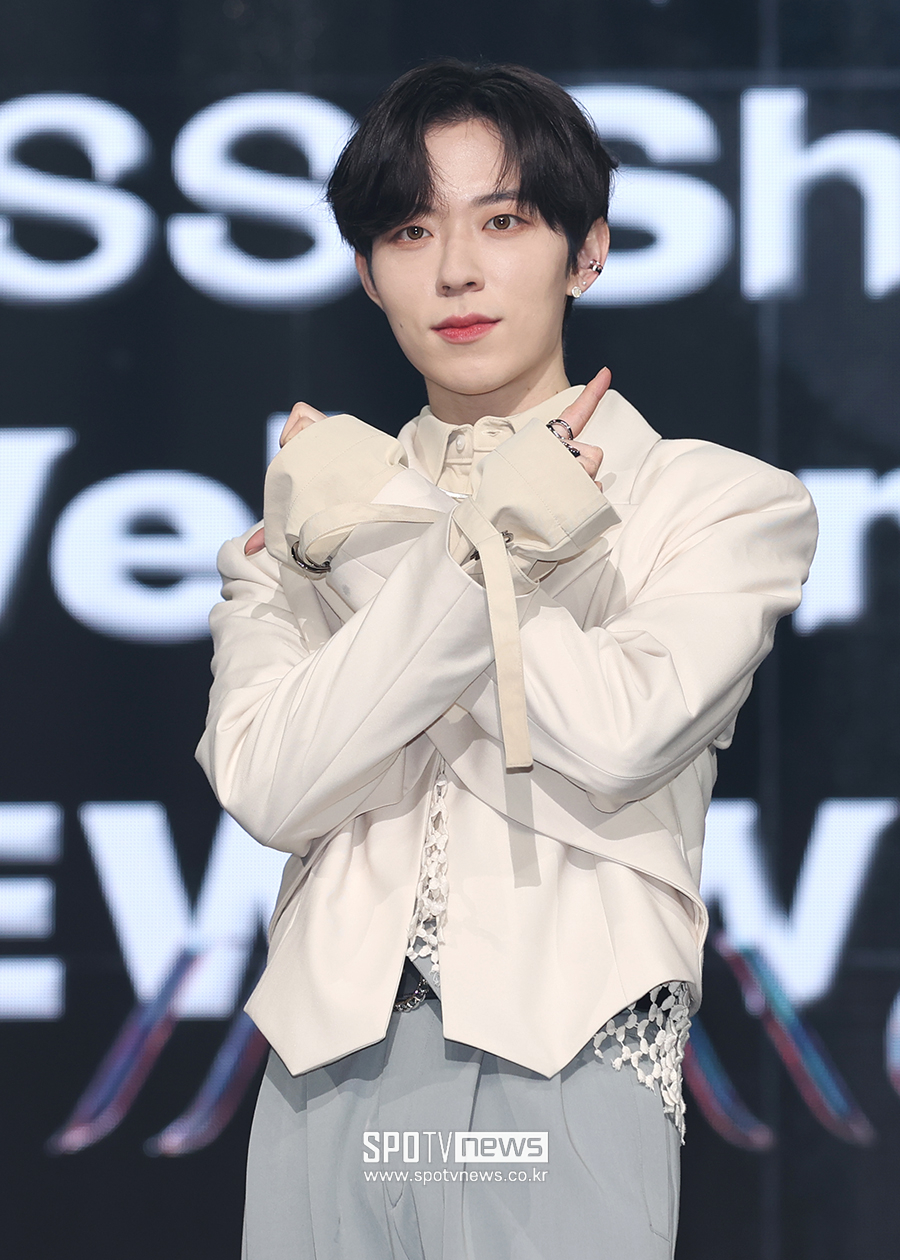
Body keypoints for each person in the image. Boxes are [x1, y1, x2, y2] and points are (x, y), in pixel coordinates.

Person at [196, 59, 818, 1260]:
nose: (456, 271)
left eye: (504, 221)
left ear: (586, 252)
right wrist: (443, 537)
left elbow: (614, 736)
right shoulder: (309, 518)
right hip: (319, 1083)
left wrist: (384, 538)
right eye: (410, 231)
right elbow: (270, 786)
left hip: (568, 1064)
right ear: (367, 271)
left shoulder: (718, 501)